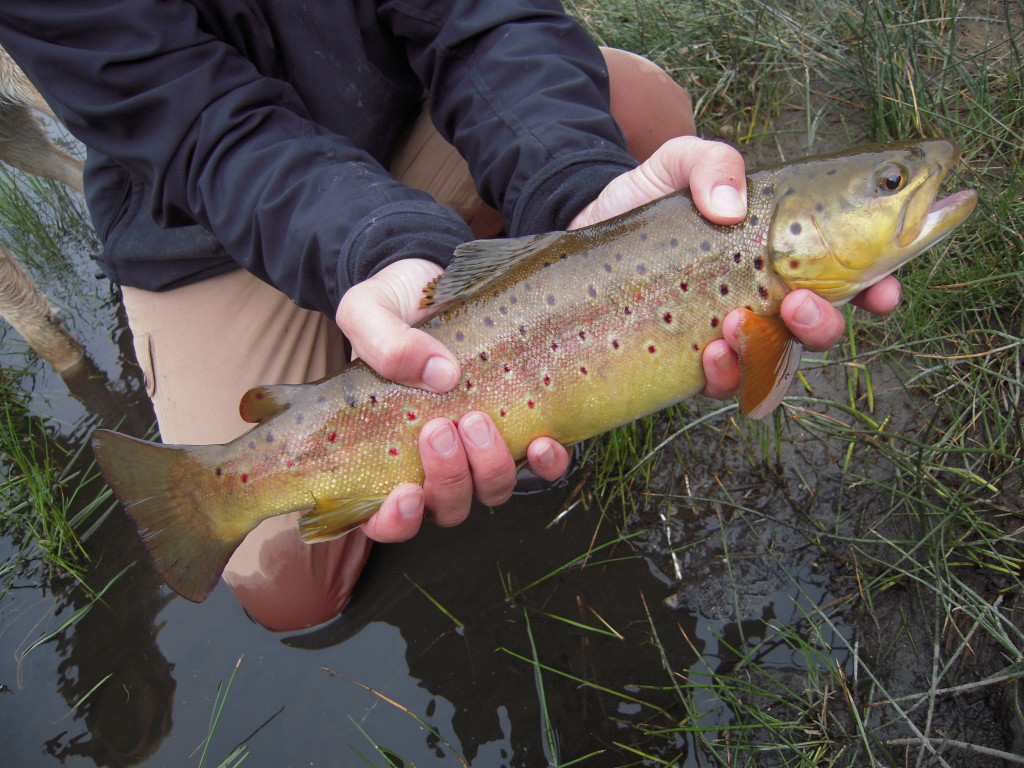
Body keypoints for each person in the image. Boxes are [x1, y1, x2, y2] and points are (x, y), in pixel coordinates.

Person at [0, 1, 900, 631]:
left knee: (641, 116)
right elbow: (204, 130)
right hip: (201, 212)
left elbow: (487, 15)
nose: (904, 185)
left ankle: (487, 249)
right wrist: (377, 246)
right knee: (289, 593)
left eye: (885, 184)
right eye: (888, 188)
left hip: (407, 109)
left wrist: (579, 191)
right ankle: (266, 441)